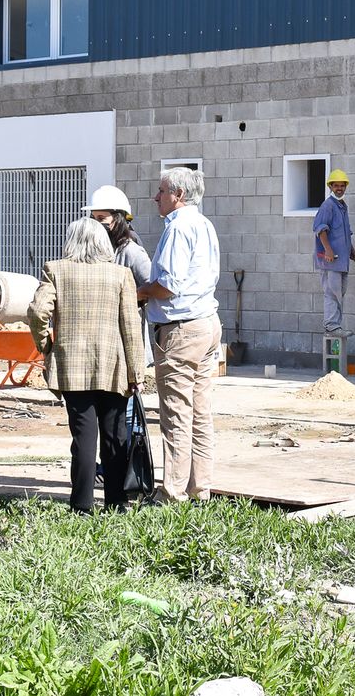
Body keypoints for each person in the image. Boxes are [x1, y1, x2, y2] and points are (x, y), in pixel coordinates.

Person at [28, 218, 146, 513]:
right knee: (115, 435)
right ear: (103, 243)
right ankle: (116, 502)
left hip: (72, 366)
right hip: (113, 365)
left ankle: (81, 504)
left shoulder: (56, 270)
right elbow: (131, 327)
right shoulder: (120, 274)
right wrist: (137, 372)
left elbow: (38, 311)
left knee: (83, 436)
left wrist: (46, 345)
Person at [137, 167, 221, 502]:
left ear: (178, 195)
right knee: (200, 412)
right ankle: (200, 488)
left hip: (180, 330)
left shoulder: (178, 227)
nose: (156, 197)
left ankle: (172, 494)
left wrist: (138, 292)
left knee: (175, 413)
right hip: (206, 323)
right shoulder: (203, 224)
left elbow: (167, 286)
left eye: (161, 191)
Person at [313, 168, 355, 337]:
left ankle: (336, 326)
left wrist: (351, 251)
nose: (339, 188)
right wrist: (328, 251)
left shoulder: (342, 206)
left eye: (342, 185)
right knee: (332, 292)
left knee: (339, 293)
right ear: (330, 187)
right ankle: (331, 326)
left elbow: (345, 232)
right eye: (336, 185)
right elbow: (320, 229)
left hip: (342, 260)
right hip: (330, 261)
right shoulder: (328, 206)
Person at [83, 184, 152, 289]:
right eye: (93, 218)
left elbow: (150, 286)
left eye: (101, 219)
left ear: (118, 220)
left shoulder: (131, 251)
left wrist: (129, 297)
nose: (96, 224)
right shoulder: (91, 250)